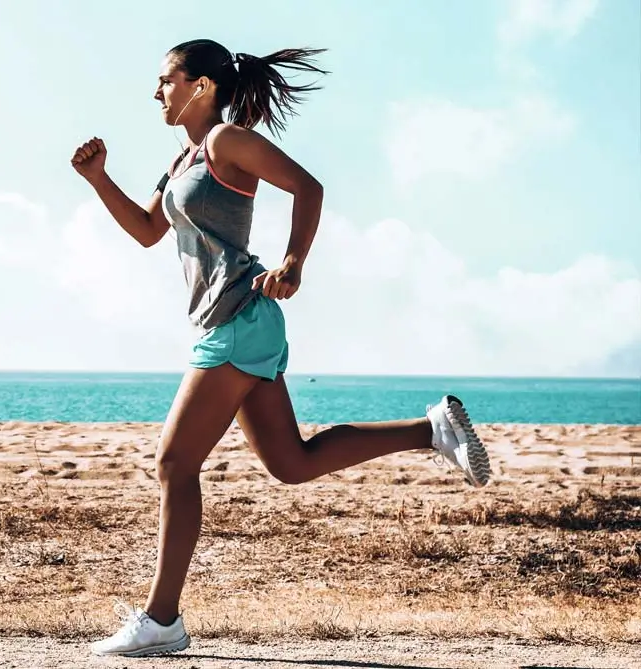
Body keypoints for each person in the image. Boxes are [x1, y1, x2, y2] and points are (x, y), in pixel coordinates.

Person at [69, 38, 491, 658]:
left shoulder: (226, 141)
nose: (156, 91)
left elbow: (307, 187)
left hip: (239, 318)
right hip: (232, 323)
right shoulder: (183, 158)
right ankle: (429, 431)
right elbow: (148, 231)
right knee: (291, 463)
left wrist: (294, 262)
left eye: (166, 80)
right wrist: (98, 178)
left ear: (201, 86)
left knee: (174, 464)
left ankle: (161, 620)